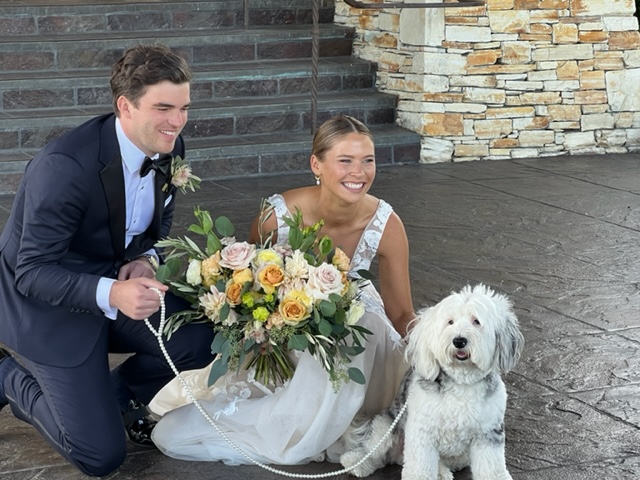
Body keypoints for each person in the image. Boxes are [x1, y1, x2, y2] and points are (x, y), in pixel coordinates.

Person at [149, 115, 415, 465]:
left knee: (362, 322)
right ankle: (304, 419)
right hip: (289, 332)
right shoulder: (276, 216)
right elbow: (250, 286)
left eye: (368, 160)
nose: (359, 172)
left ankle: (346, 411)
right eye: (345, 160)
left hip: (361, 331)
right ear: (316, 165)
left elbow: (401, 313)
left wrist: (434, 344)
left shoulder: (386, 224)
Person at [0, 44, 215, 476]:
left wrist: (146, 259)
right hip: (46, 305)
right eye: (163, 108)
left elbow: (158, 223)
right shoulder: (64, 167)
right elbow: (31, 272)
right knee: (100, 457)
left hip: (114, 283)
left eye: (184, 108)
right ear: (125, 106)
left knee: (200, 338)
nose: (177, 122)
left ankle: (110, 398)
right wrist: (114, 292)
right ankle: (6, 376)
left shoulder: (168, 145)